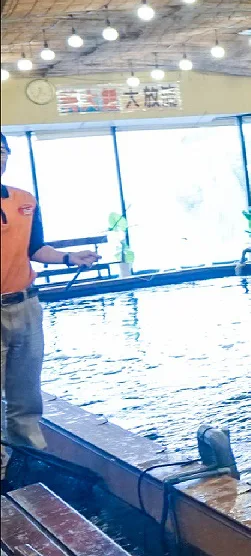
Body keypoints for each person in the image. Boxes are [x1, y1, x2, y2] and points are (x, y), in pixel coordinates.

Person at [1, 133, 101, 477]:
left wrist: (71, 258)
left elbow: (35, 248)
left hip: (25, 305)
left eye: (3, 151)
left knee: (25, 391)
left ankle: (31, 458)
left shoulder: (24, 200)